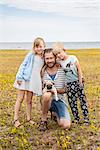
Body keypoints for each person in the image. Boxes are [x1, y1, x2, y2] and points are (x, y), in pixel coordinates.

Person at [52, 42, 90, 125]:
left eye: (59, 52)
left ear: (64, 50)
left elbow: (79, 69)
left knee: (82, 100)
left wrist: (80, 81)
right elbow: (52, 62)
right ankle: (76, 118)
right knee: (72, 102)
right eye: (56, 54)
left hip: (77, 81)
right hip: (69, 85)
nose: (58, 55)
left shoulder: (73, 58)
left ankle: (86, 118)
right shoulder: (59, 62)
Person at [13, 37, 45, 127]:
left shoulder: (44, 57)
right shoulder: (31, 55)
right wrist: (19, 76)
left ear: (44, 46)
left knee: (29, 100)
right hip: (24, 78)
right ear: (34, 48)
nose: (39, 48)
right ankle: (15, 119)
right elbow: (23, 65)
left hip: (33, 81)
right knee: (20, 99)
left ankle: (29, 118)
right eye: (37, 46)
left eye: (41, 46)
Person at [40, 48, 71, 131]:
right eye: (47, 58)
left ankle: (55, 113)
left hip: (60, 100)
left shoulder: (63, 69)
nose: (49, 60)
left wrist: (55, 90)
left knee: (65, 125)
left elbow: (67, 89)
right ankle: (43, 120)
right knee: (47, 95)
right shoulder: (42, 71)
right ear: (44, 59)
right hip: (46, 100)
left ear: (55, 58)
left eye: (51, 58)